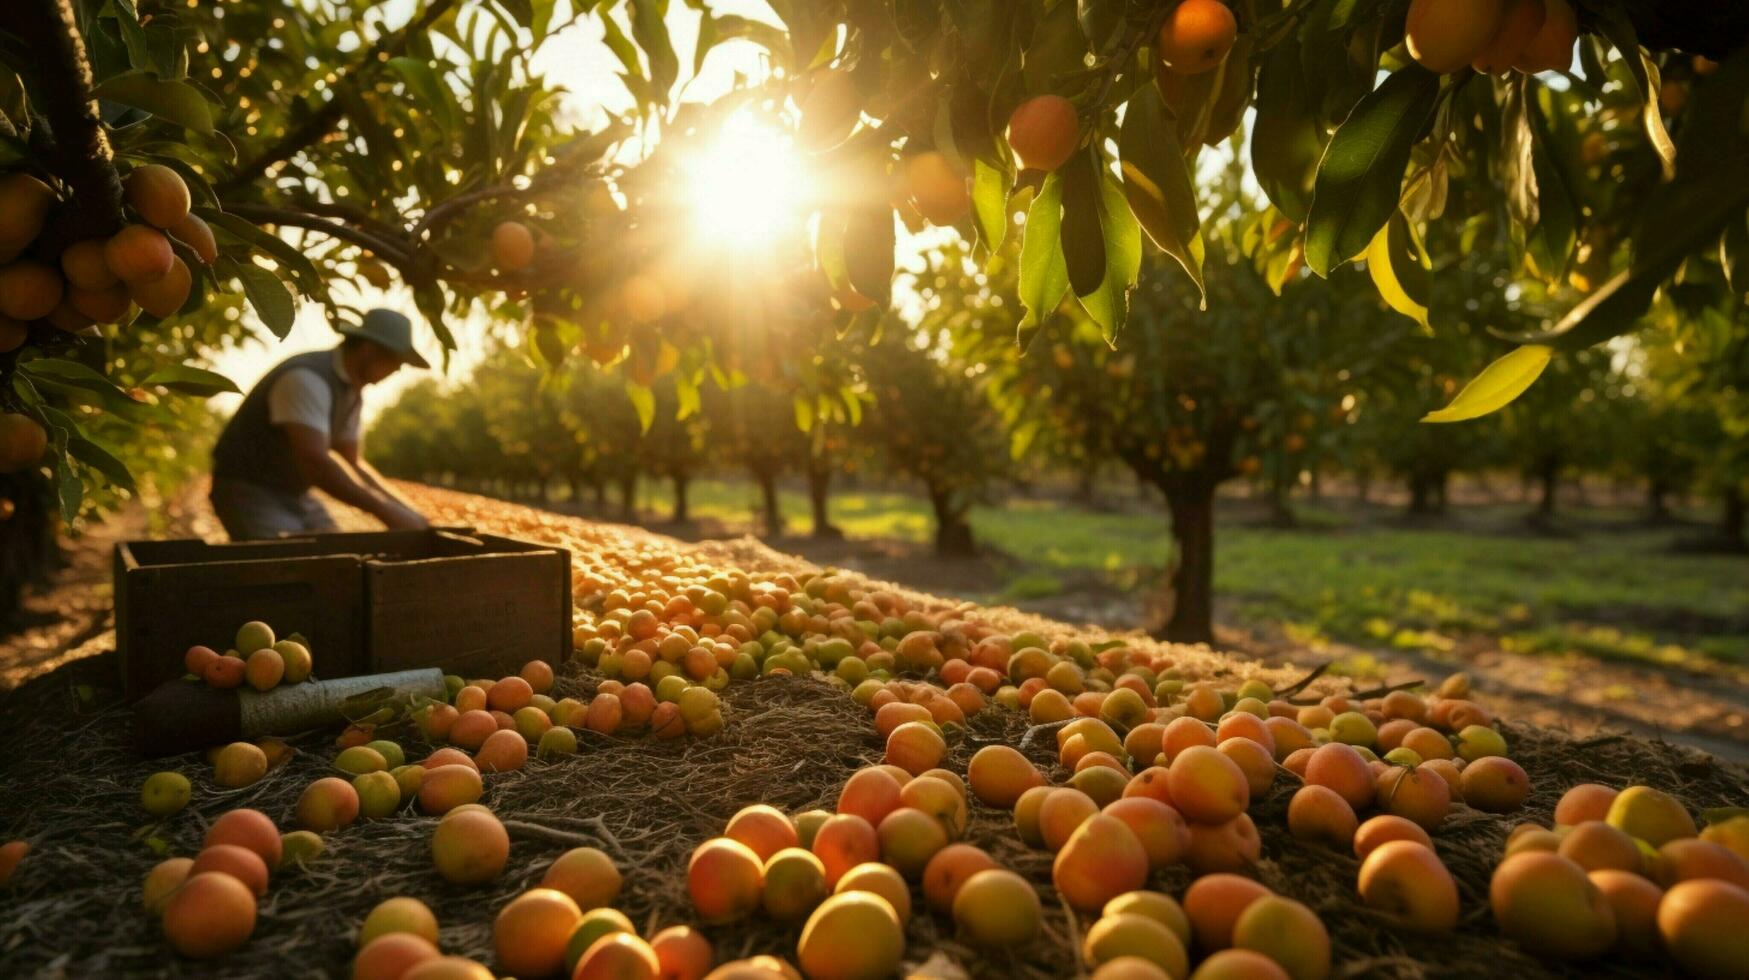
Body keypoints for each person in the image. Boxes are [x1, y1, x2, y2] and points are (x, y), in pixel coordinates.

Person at [209, 309, 430, 540]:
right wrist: (386, 512)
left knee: (332, 556)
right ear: (369, 350)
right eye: (396, 361)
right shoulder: (306, 378)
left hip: (295, 493)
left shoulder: (352, 393)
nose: (398, 370)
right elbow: (315, 461)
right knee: (291, 564)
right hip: (249, 490)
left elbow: (351, 462)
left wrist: (407, 510)